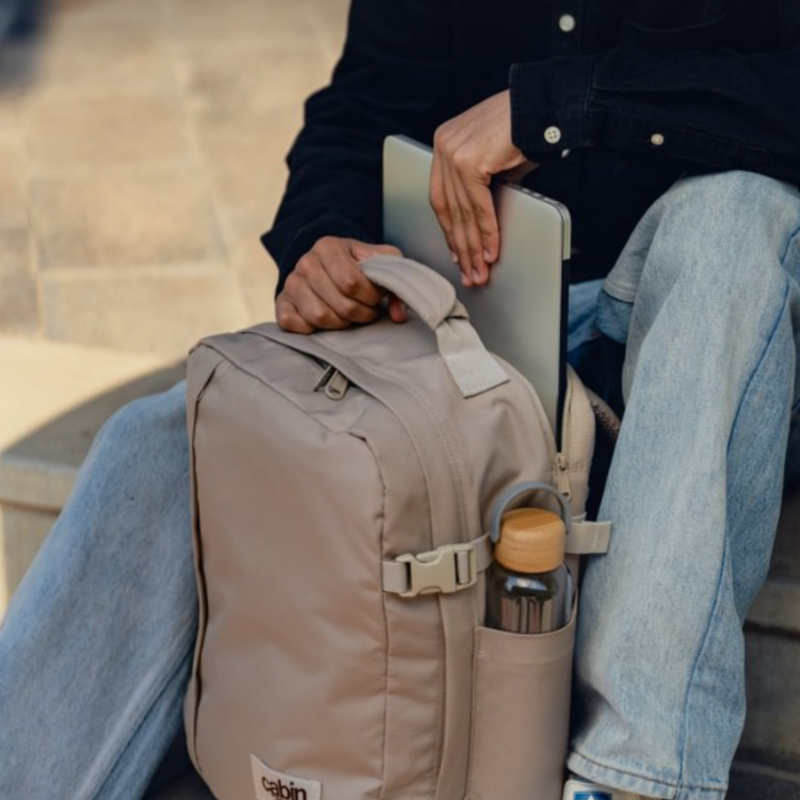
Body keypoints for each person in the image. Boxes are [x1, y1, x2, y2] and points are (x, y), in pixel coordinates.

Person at [1, 1, 799, 799]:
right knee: (162, 443)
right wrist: (323, 239)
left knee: (735, 219)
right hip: (487, 323)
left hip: (719, 338)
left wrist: (563, 110)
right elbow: (361, 109)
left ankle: (631, 780)